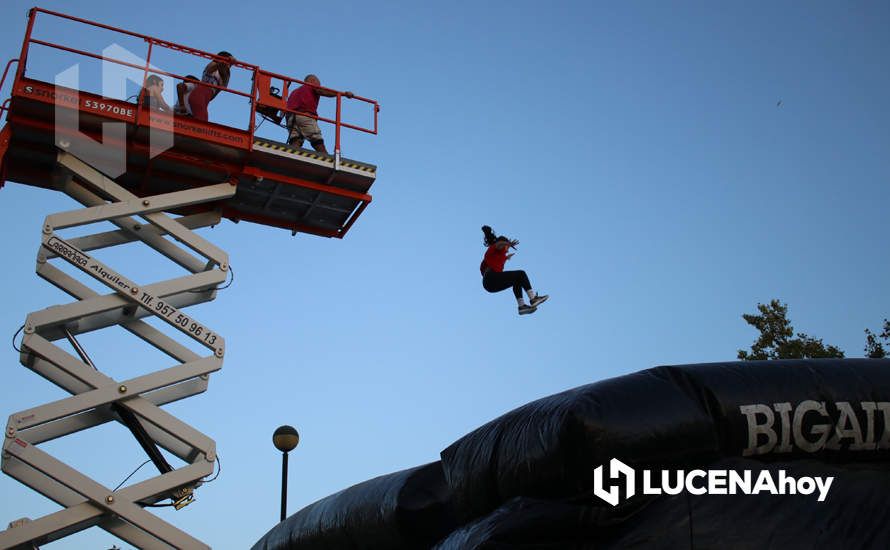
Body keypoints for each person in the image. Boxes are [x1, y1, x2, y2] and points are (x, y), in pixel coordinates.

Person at [479, 225, 549, 315]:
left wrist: (506, 258)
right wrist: (507, 243)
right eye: (507, 248)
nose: (507, 250)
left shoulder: (498, 255)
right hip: (491, 278)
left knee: (517, 280)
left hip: (489, 284)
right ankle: (533, 298)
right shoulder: (494, 248)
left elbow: (492, 261)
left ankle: (522, 307)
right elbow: (499, 245)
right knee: (521, 274)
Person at [285, 74, 354, 153]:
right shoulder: (311, 86)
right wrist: (342, 94)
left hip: (290, 118)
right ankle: (327, 160)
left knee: (295, 140)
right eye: (318, 83)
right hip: (305, 116)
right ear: (312, 81)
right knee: (316, 139)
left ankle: (292, 156)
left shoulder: (294, 92)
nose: (319, 85)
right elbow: (322, 91)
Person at [176, 51, 234, 121]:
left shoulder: (222, 77)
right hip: (199, 96)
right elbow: (210, 69)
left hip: (204, 100)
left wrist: (228, 67)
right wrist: (222, 63)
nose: (228, 67)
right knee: (202, 122)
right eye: (228, 64)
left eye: (230, 65)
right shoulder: (213, 65)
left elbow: (223, 88)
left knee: (204, 120)